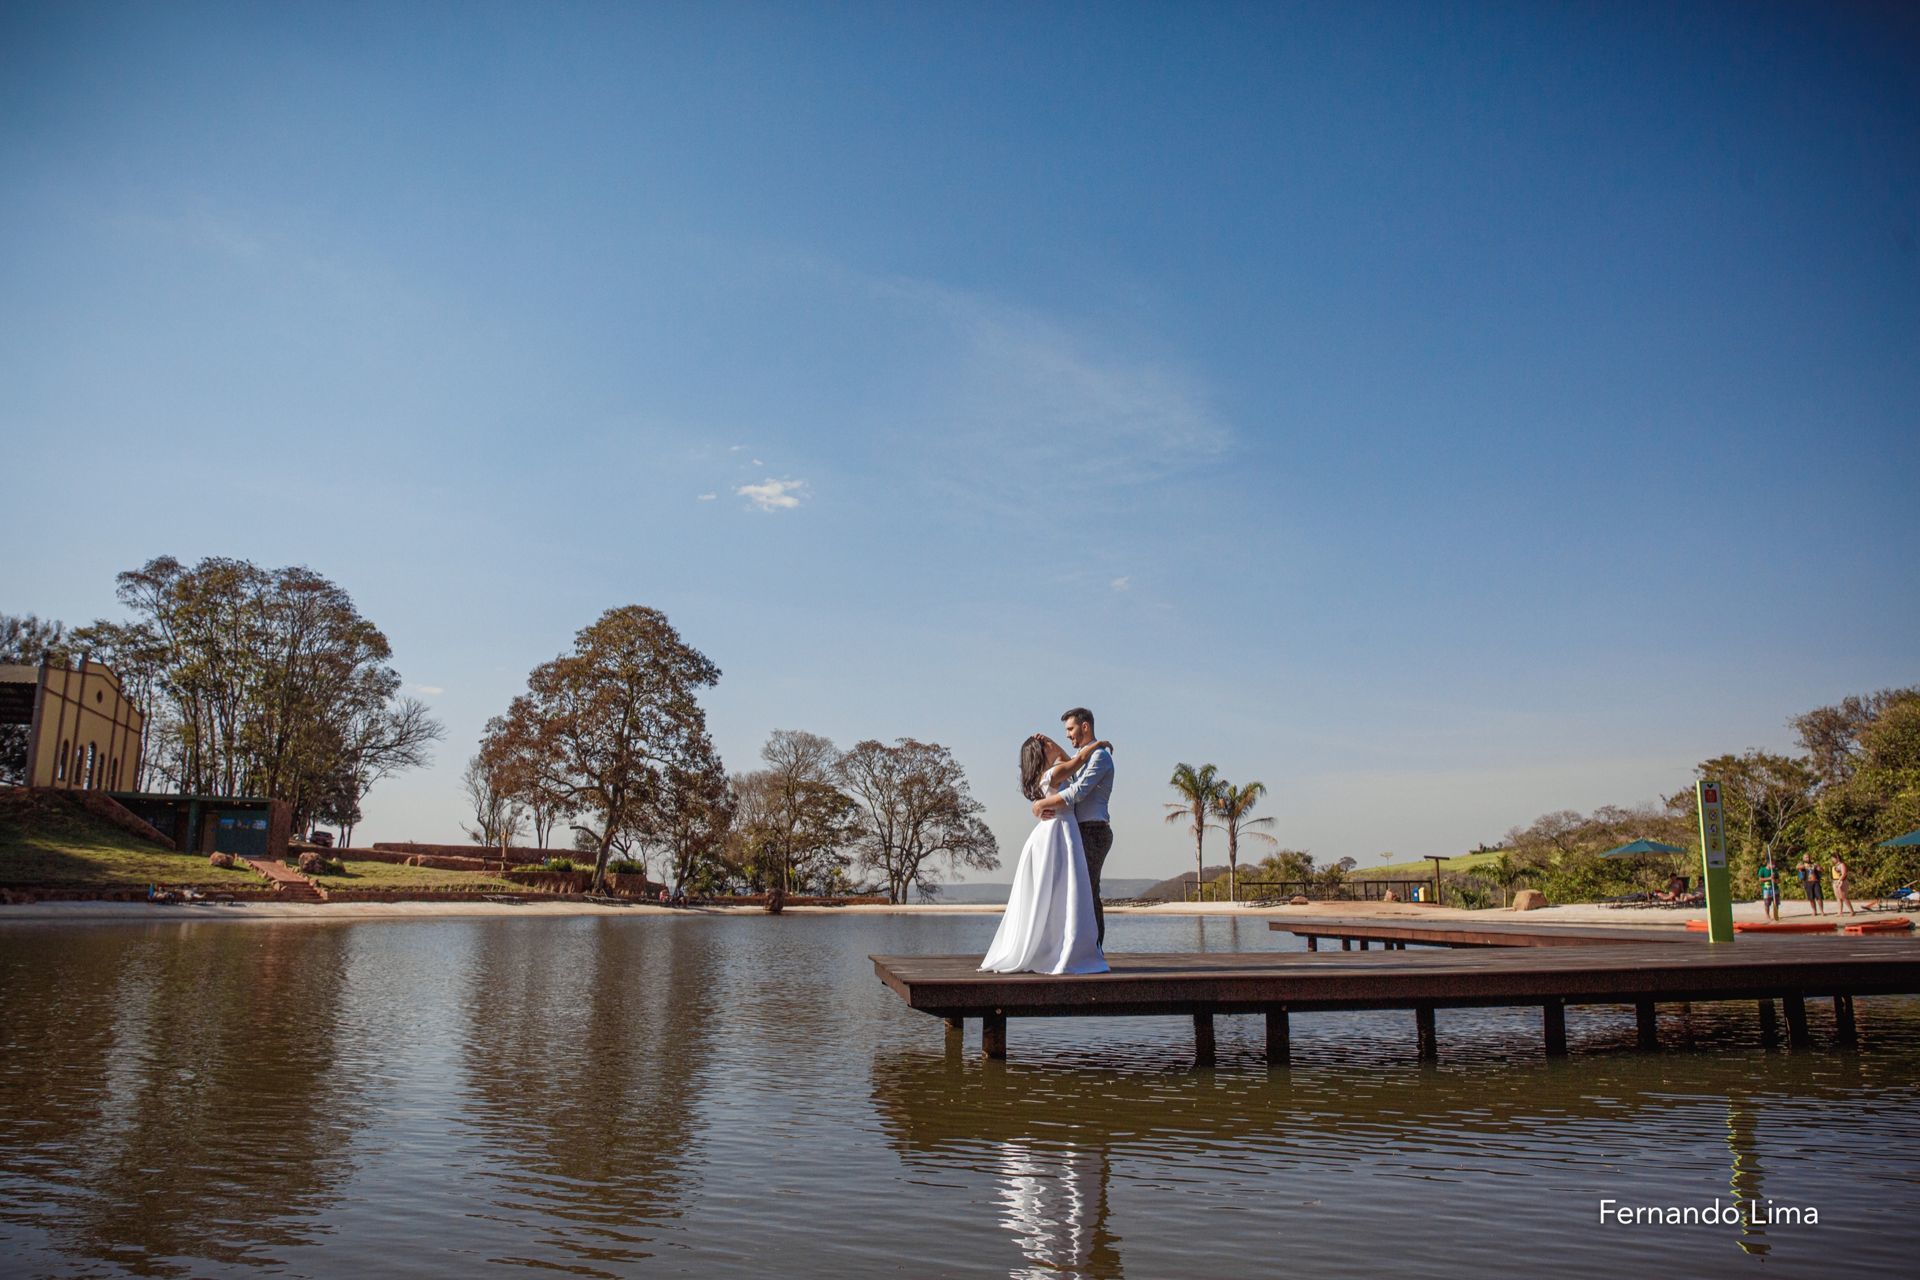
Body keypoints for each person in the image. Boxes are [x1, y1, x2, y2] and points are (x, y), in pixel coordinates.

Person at [980, 732, 1111, 975]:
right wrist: (1098, 744)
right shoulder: (1054, 773)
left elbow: (1067, 760)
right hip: (1059, 831)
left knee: (1061, 891)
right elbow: (1078, 761)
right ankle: (1060, 947)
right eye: (1046, 744)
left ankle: (1056, 944)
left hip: (1058, 830)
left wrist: (1054, 746)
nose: (1052, 744)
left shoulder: (1052, 772)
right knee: (1064, 889)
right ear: (1041, 753)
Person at [1031, 707, 1116, 945]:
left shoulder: (1100, 757)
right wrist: (1054, 746)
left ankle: (1094, 949)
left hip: (1094, 831)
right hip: (1081, 831)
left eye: (1071, 729)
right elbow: (1072, 766)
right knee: (1080, 891)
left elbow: (1077, 792)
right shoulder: (1091, 755)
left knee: (1088, 892)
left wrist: (1040, 805)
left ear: (1085, 726)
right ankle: (1081, 947)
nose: (1068, 735)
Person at [1758, 857, 1779, 921]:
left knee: (1776, 902)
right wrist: (1769, 878)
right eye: (1772, 864)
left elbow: (1778, 880)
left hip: (1775, 889)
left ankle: (1775, 914)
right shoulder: (1762, 869)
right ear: (1768, 864)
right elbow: (1760, 879)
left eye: (1774, 864)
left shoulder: (1775, 870)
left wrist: (1774, 880)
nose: (1774, 865)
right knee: (1767, 903)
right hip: (1767, 889)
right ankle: (1767, 915)